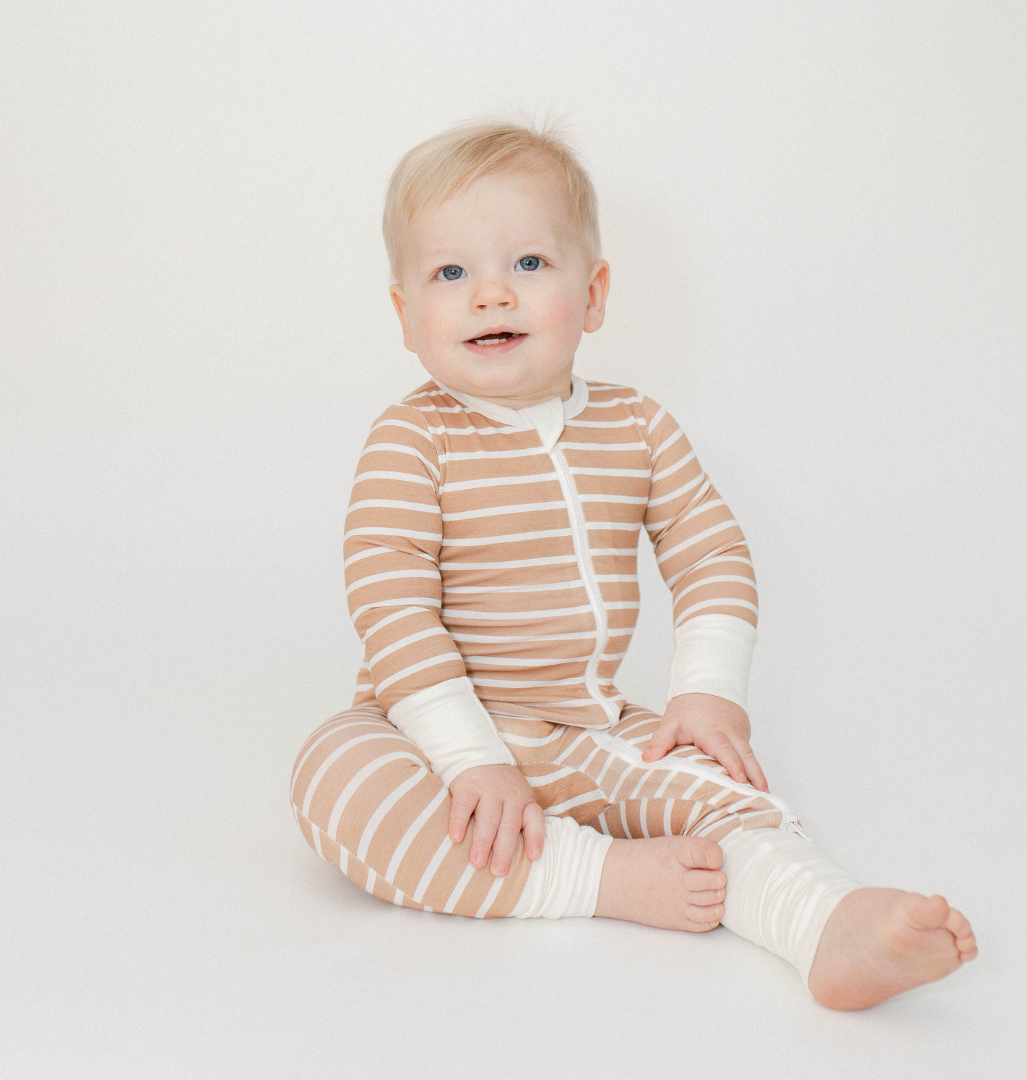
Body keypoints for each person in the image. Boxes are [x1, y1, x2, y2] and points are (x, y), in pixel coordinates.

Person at [289, 120, 977, 1010]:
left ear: (595, 292)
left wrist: (706, 692)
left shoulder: (636, 428)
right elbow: (392, 607)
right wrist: (470, 758)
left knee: (719, 790)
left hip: (586, 726)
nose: (491, 294)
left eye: (529, 263)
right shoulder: (412, 441)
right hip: (428, 731)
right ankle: (600, 877)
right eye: (450, 273)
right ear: (404, 315)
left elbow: (711, 549)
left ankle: (822, 923)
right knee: (336, 777)